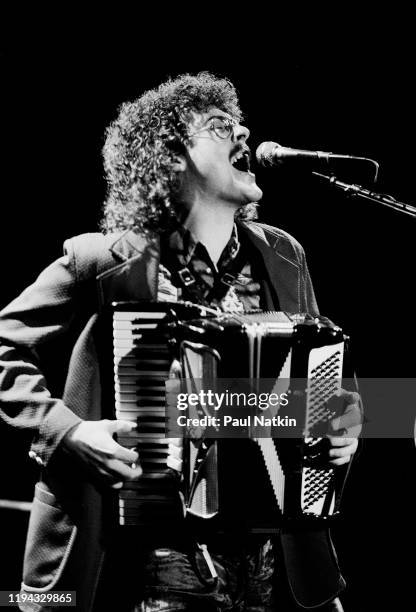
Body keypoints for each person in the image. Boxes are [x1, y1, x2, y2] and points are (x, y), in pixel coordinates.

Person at [0, 72, 360, 612]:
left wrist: (347, 423)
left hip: (262, 560)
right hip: (145, 558)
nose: (243, 134)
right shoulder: (103, 259)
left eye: (241, 123)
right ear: (170, 157)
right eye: (220, 127)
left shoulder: (284, 256)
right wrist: (67, 432)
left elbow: (326, 386)